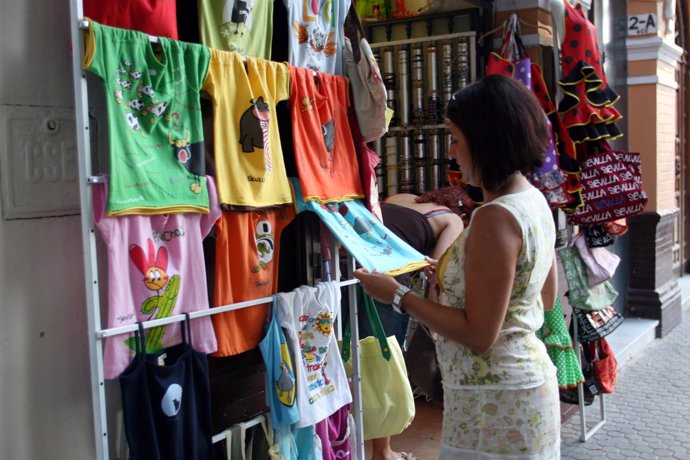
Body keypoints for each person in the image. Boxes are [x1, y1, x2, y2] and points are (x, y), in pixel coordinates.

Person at [354, 74, 561, 459]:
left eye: (455, 139)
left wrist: (397, 294)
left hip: (495, 404)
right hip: (517, 394)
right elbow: (542, 298)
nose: (452, 152)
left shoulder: (495, 217)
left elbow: (480, 333)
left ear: (485, 141)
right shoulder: (533, 201)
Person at [362, 195, 464, 460]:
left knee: (354, 359)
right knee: (383, 366)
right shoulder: (453, 221)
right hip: (386, 284)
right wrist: (437, 328)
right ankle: (382, 453)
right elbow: (438, 280)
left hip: (352, 269)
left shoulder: (402, 197)